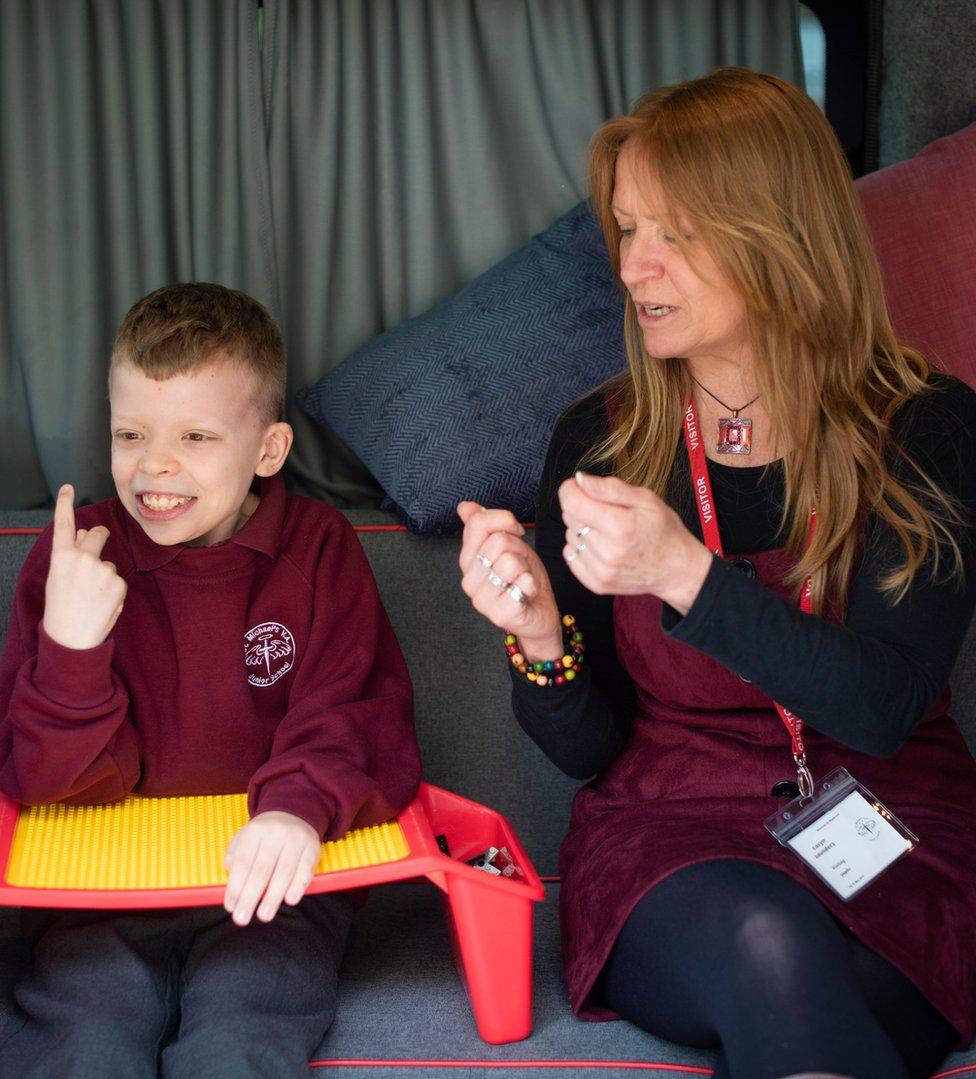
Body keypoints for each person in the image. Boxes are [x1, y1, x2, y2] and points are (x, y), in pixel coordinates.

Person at [458, 68, 976, 1079]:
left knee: (817, 998)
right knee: (767, 944)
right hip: (673, 836)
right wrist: (533, 635)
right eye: (626, 229)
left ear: (780, 235)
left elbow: (879, 706)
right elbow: (589, 743)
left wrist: (685, 573)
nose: (636, 267)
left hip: (892, 826)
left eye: (675, 234)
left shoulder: (929, 429)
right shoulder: (600, 441)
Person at [0, 282, 422, 1077]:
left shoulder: (318, 547)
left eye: (196, 435)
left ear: (268, 450)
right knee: (85, 1039)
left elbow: (355, 711)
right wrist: (71, 647)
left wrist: (297, 810)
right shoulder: (76, 556)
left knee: (239, 1039)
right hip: (98, 896)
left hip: (269, 894)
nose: (155, 465)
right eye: (131, 433)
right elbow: (42, 779)